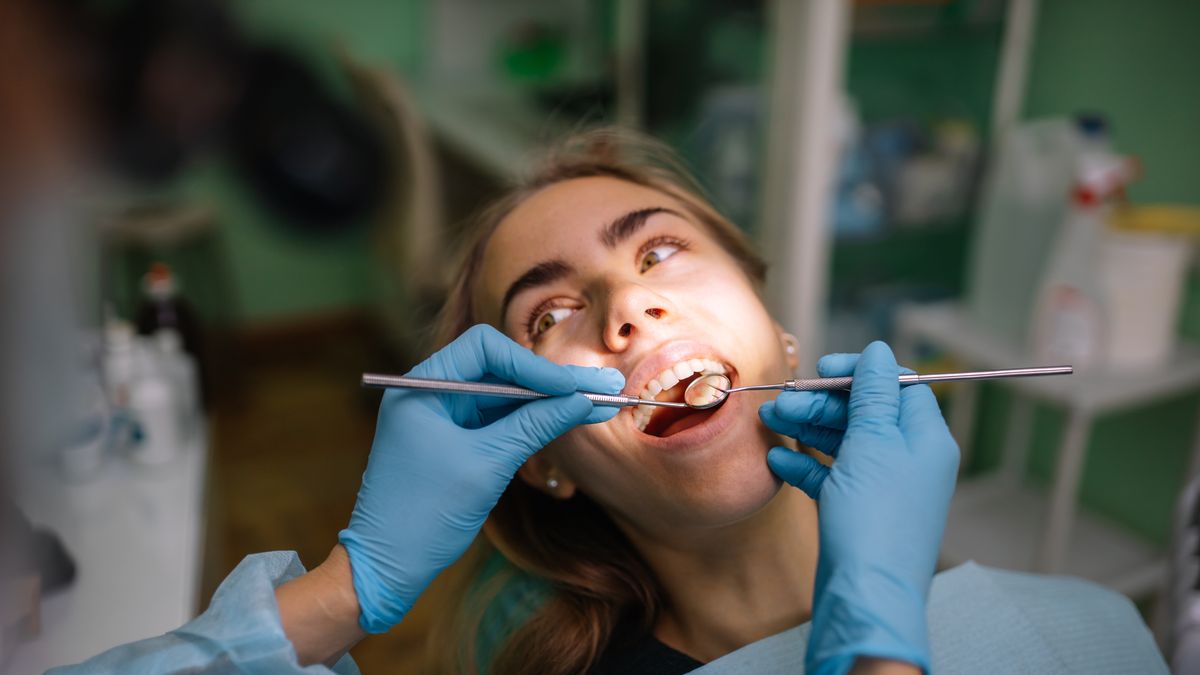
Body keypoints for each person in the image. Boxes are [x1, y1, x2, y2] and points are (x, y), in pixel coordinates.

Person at [52, 131, 1165, 675]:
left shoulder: (1091, 638)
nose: (628, 308)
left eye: (664, 253)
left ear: (773, 326)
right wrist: (341, 597)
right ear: (538, 456)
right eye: (549, 318)